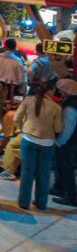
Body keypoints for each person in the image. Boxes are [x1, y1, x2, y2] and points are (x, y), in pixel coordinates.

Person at [14, 83, 62, 211]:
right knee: (44, 174)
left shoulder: (28, 101)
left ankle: (24, 202)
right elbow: (58, 128)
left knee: (27, 172)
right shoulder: (56, 108)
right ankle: (41, 203)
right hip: (47, 143)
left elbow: (16, 118)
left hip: (29, 139)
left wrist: (22, 130)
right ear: (50, 91)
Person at [53, 78, 77, 207]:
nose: (60, 92)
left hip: (68, 142)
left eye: (61, 90)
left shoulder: (71, 107)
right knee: (62, 166)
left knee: (66, 167)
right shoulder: (72, 102)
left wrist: (60, 141)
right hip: (71, 140)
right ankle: (60, 188)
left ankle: (70, 196)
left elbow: (68, 127)